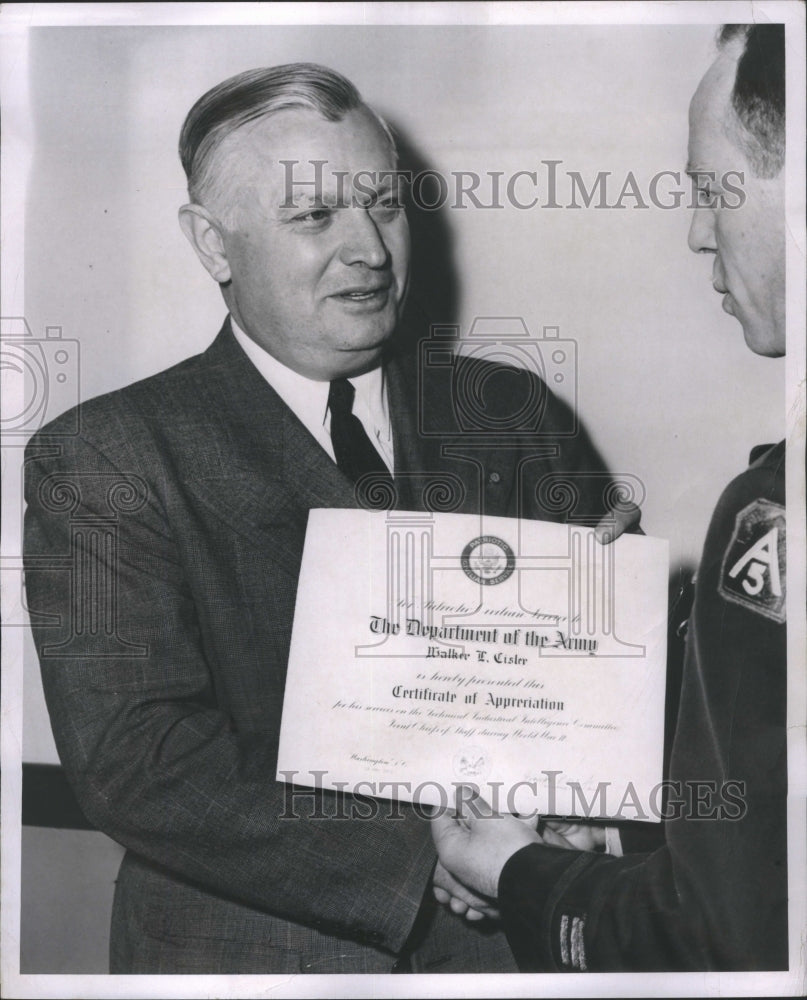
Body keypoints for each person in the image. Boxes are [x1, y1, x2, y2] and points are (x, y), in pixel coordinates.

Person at [23, 63, 635, 974]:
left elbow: (592, 721)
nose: (371, 250)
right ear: (212, 244)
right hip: (254, 959)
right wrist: (427, 858)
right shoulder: (107, 455)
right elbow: (139, 762)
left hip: (514, 950)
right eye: (314, 216)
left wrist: (620, 648)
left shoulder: (510, 412)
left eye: (383, 206)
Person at [432, 23, 789, 972]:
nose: (696, 231)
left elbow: (720, 938)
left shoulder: (773, 513)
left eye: (714, 188)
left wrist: (522, 873)